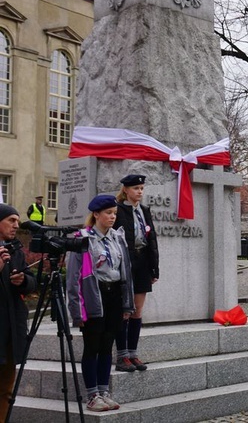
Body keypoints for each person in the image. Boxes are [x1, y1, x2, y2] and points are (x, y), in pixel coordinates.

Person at [67, 195, 135, 411]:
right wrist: (77, 312)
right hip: (94, 296)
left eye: (114, 213)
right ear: (96, 214)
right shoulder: (83, 238)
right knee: (92, 345)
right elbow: (73, 278)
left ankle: (104, 391)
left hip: (114, 295)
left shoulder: (118, 238)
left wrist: (127, 304)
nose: (112, 217)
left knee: (108, 345)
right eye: (108, 213)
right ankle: (92, 395)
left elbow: (126, 273)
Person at [113, 174, 160, 372]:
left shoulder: (144, 210)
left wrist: (154, 267)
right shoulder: (119, 210)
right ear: (126, 190)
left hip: (142, 262)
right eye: (135, 188)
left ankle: (133, 353)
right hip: (126, 262)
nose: (139, 192)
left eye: (141, 188)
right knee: (125, 310)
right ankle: (122, 355)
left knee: (138, 310)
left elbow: (152, 239)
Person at [0, 204, 36, 421]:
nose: (16, 225)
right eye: (11, 220)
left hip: (11, 328)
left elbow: (31, 281)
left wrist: (24, 281)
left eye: (18, 220)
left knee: (5, 389)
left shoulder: (15, 249)